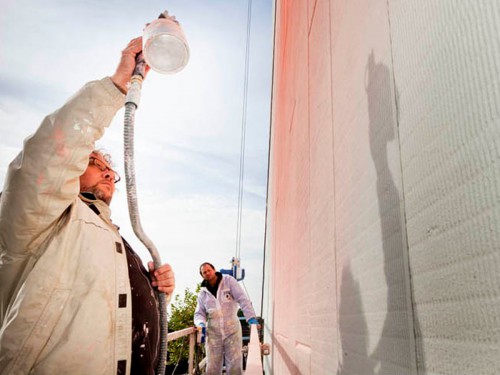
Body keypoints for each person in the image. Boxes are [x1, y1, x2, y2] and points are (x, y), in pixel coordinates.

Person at [0, 37, 175, 375]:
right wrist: (117, 85)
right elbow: (47, 157)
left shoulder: (116, 240)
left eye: (111, 170)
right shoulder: (45, 218)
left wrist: (154, 291)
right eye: (95, 162)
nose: (108, 172)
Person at [194, 262, 259, 375]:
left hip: (232, 331)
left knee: (234, 366)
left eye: (209, 270)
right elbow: (199, 313)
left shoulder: (228, 281)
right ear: (202, 275)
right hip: (213, 333)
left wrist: (251, 318)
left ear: (214, 270)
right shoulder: (202, 293)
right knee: (212, 367)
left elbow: (242, 299)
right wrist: (200, 324)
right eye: (204, 272)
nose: (207, 273)